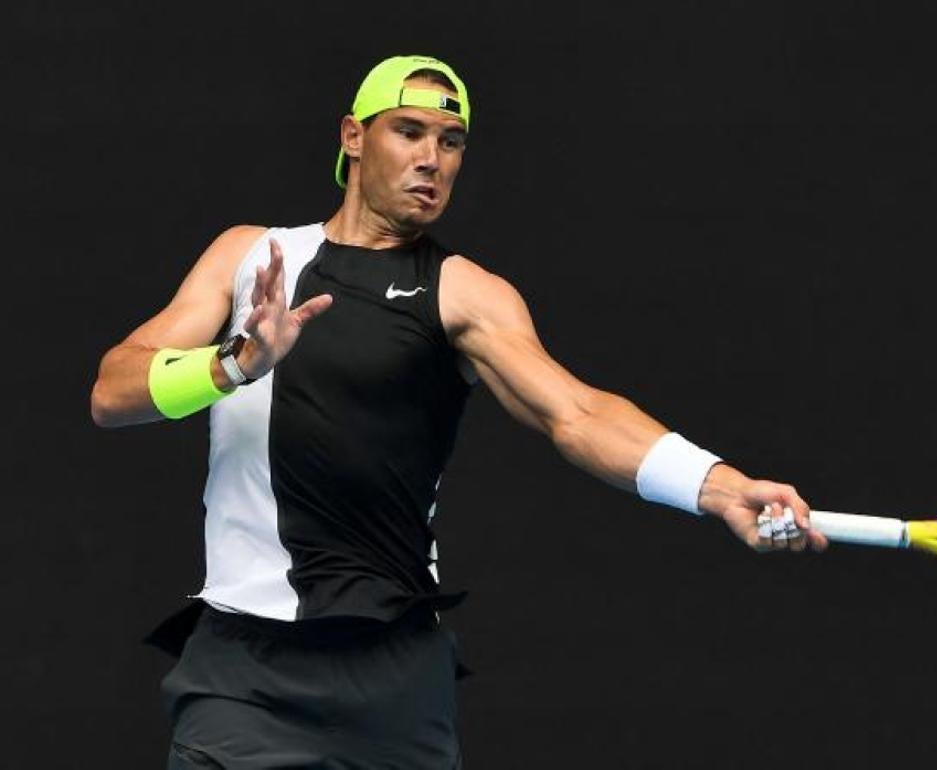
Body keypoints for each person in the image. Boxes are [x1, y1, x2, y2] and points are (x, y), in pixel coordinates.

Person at [89, 54, 829, 769]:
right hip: (241, 675)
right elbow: (113, 391)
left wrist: (722, 486)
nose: (431, 159)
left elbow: (574, 413)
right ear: (353, 137)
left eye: (451, 142)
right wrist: (236, 364)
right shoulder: (251, 258)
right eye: (408, 131)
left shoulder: (465, 293)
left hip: (394, 682)